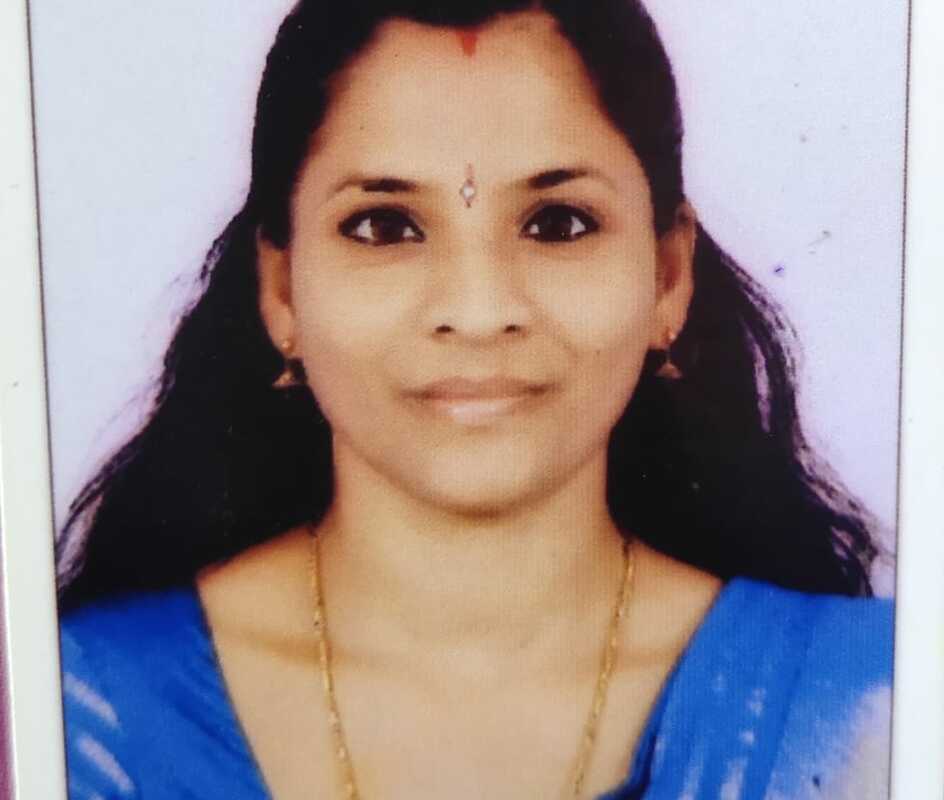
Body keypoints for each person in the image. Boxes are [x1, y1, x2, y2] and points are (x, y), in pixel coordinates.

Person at [57, 1, 893, 798]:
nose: (479, 310)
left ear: (668, 277)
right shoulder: (75, 712)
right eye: (385, 226)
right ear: (280, 291)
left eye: (557, 223)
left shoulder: (878, 701)